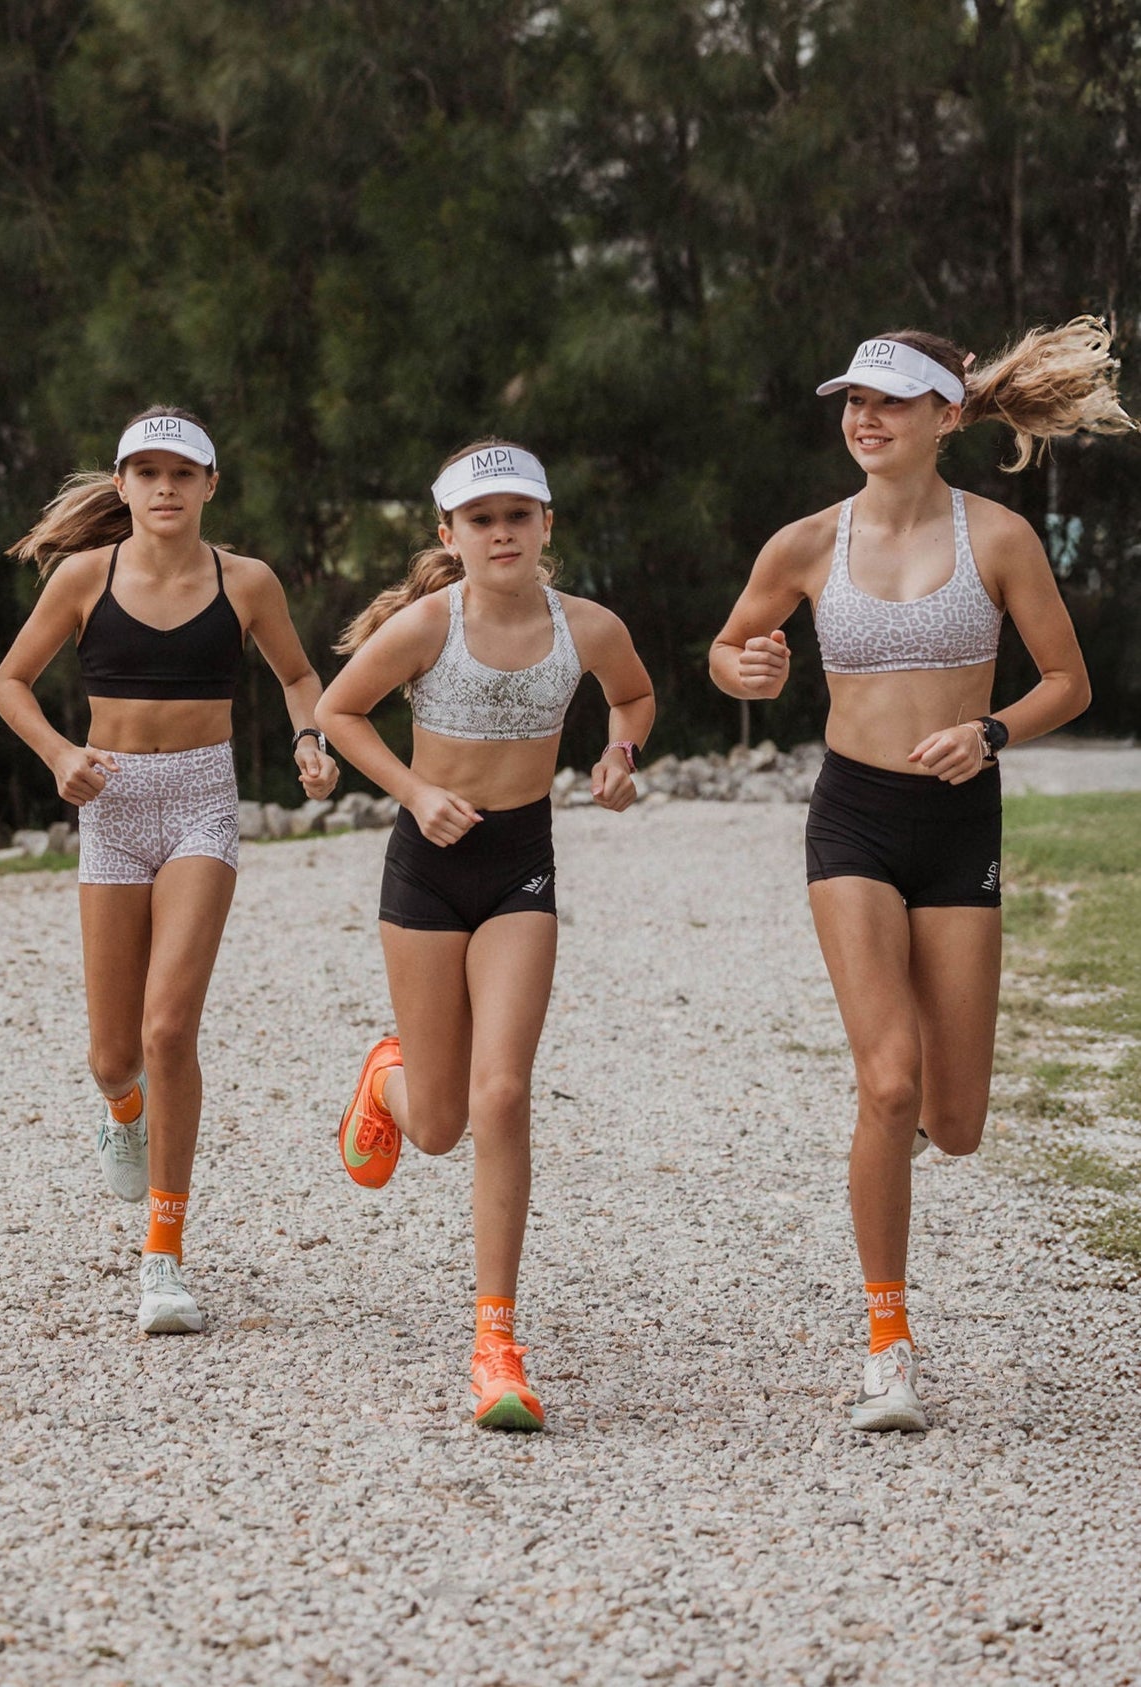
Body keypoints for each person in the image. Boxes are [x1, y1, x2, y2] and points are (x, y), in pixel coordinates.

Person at [710, 322, 1129, 1431]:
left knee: (953, 1121)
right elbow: (730, 646)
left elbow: (1067, 682)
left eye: (891, 403)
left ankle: (894, 1300)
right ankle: (887, 1343)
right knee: (886, 1081)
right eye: (853, 400)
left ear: (947, 416)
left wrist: (988, 732)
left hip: (957, 824)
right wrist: (744, 661)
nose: (865, 418)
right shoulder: (805, 543)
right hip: (851, 819)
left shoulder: (995, 538)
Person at [316, 440, 655, 1431]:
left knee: (502, 1092)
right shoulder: (427, 626)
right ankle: (388, 1076)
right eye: (479, 518)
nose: (500, 532)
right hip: (425, 868)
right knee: (438, 1127)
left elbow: (631, 695)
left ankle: (495, 1343)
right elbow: (340, 711)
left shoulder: (585, 626)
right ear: (449, 535)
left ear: (546, 524)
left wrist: (620, 751)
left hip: (520, 866)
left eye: (518, 514)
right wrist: (418, 792)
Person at [0, 407, 338, 1335]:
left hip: (197, 800)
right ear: (123, 486)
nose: (165, 488)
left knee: (168, 1026)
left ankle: (164, 1256)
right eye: (146, 473)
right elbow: (7, 682)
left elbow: (300, 677)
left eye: (182, 473)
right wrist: (61, 754)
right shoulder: (81, 577)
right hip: (108, 801)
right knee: (113, 1058)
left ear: (209, 485)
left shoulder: (247, 581)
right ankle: (123, 1110)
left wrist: (311, 736)